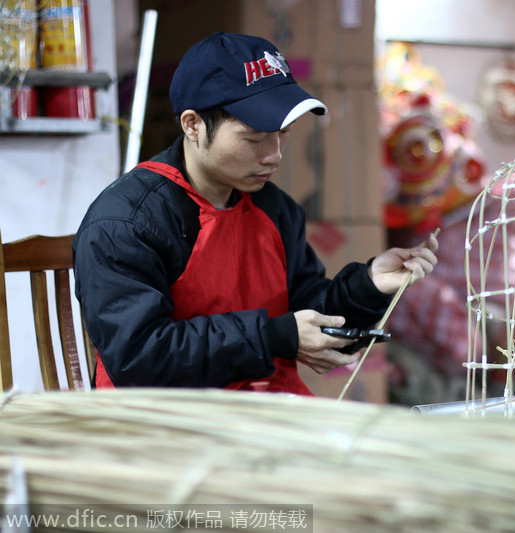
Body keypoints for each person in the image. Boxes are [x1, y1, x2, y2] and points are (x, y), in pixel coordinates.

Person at [73, 32, 438, 395]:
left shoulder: (272, 207)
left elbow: (306, 312)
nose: (274, 155)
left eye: (284, 134)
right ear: (193, 125)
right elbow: (139, 359)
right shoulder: (126, 221)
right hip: (165, 424)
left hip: (263, 409)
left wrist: (369, 286)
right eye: (253, 138)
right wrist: (274, 336)